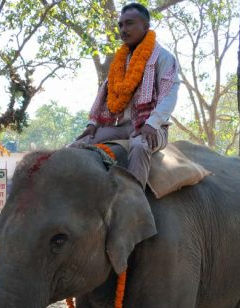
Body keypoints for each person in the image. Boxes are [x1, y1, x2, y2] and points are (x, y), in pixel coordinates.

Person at [72, 3, 180, 188]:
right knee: (80, 143)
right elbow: (105, 93)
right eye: (120, 25)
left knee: (139, 146)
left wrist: (152, 124)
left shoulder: (163, 57)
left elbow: (169, 95)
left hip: (154, 128)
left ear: (145, 26)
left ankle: (134, 198)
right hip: (121, 127)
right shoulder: (120, 62)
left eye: (129, 23)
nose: (123, 30)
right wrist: (92, 124)